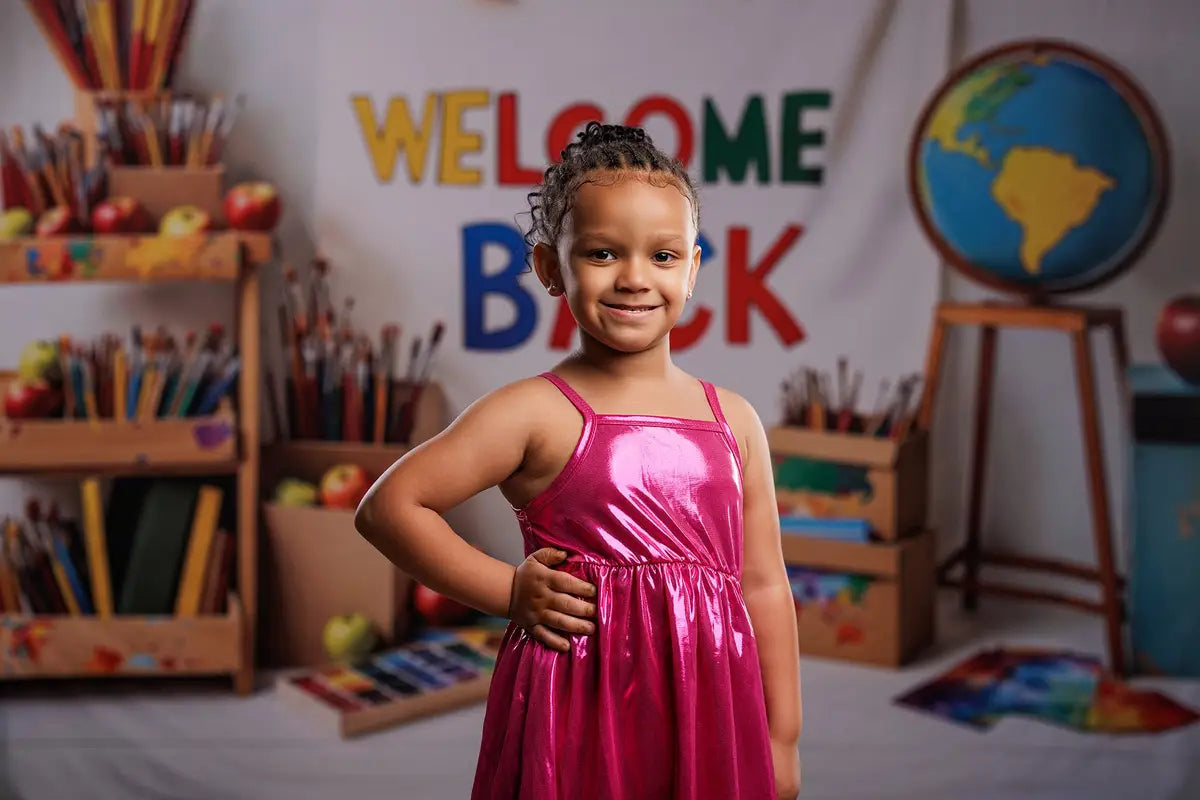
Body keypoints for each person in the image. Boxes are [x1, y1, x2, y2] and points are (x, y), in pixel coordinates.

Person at [354, 121, 802, 799]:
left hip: (711, 702)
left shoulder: (734, 420)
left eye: (662, 255)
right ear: (549, 268)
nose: (634, 278)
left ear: (691, 269)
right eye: (601, 253)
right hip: (577, 705)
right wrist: (508, 592)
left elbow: (763, 584)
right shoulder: (535, 411)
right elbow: (388, 507)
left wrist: (781, 737)